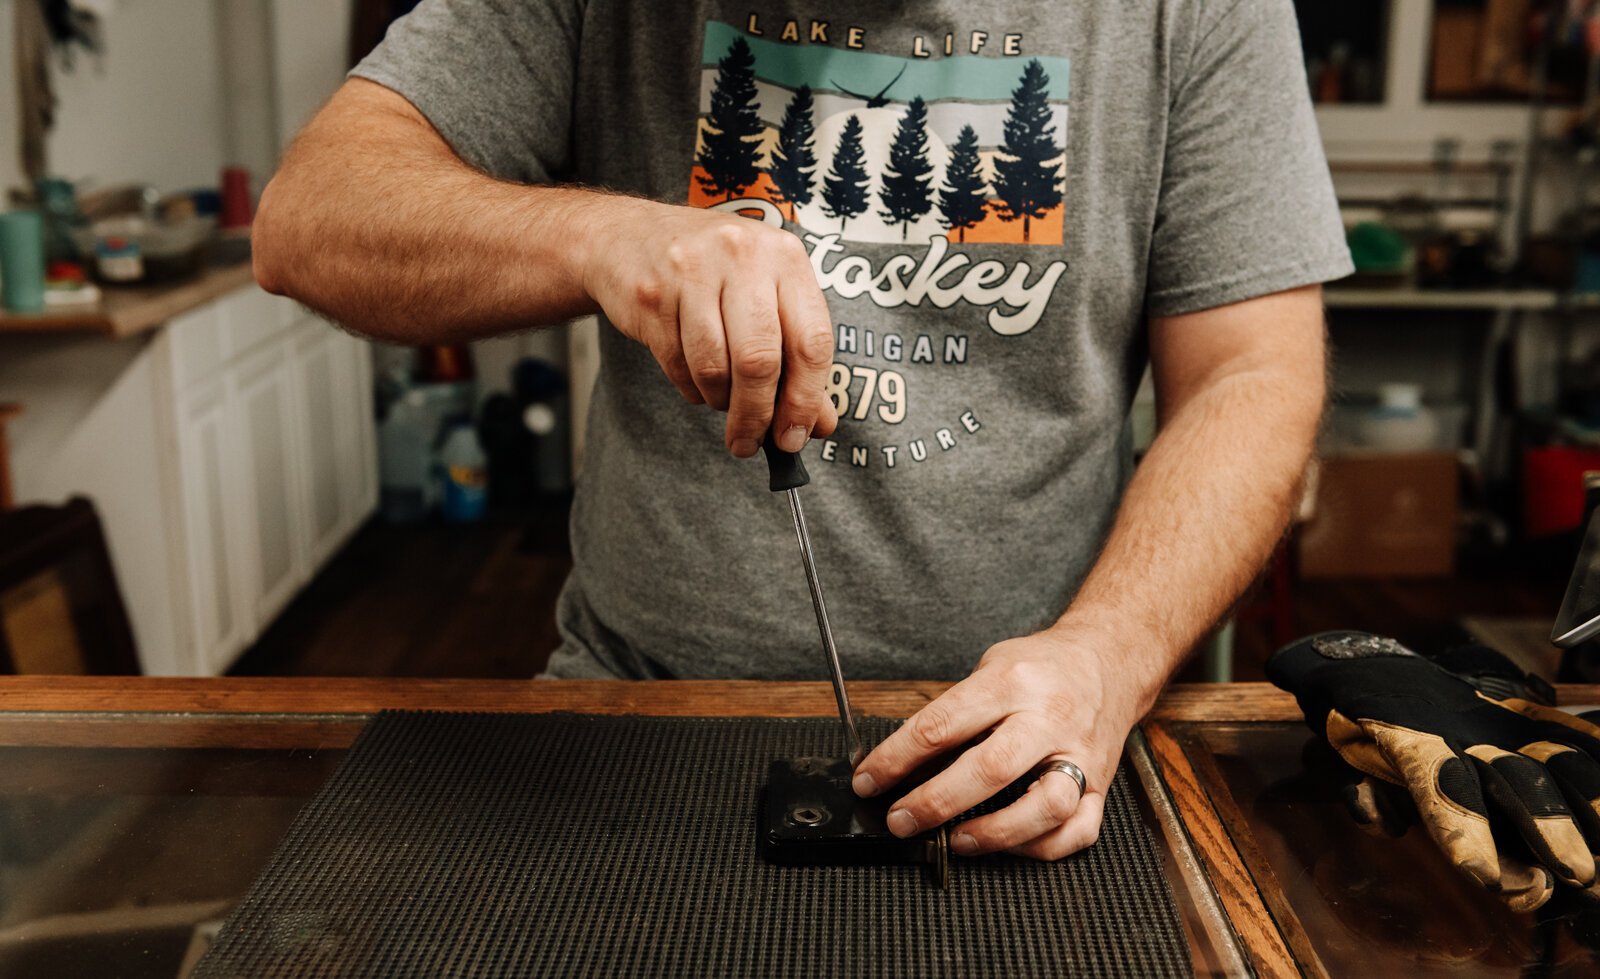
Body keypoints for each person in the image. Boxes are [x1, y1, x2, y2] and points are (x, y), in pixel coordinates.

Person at [254, 0, 1352, 862]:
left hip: (1035, 737)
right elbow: (311, 220)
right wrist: (598, 237)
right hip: (634, 709)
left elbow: (1251, 374)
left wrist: (1105, 658)